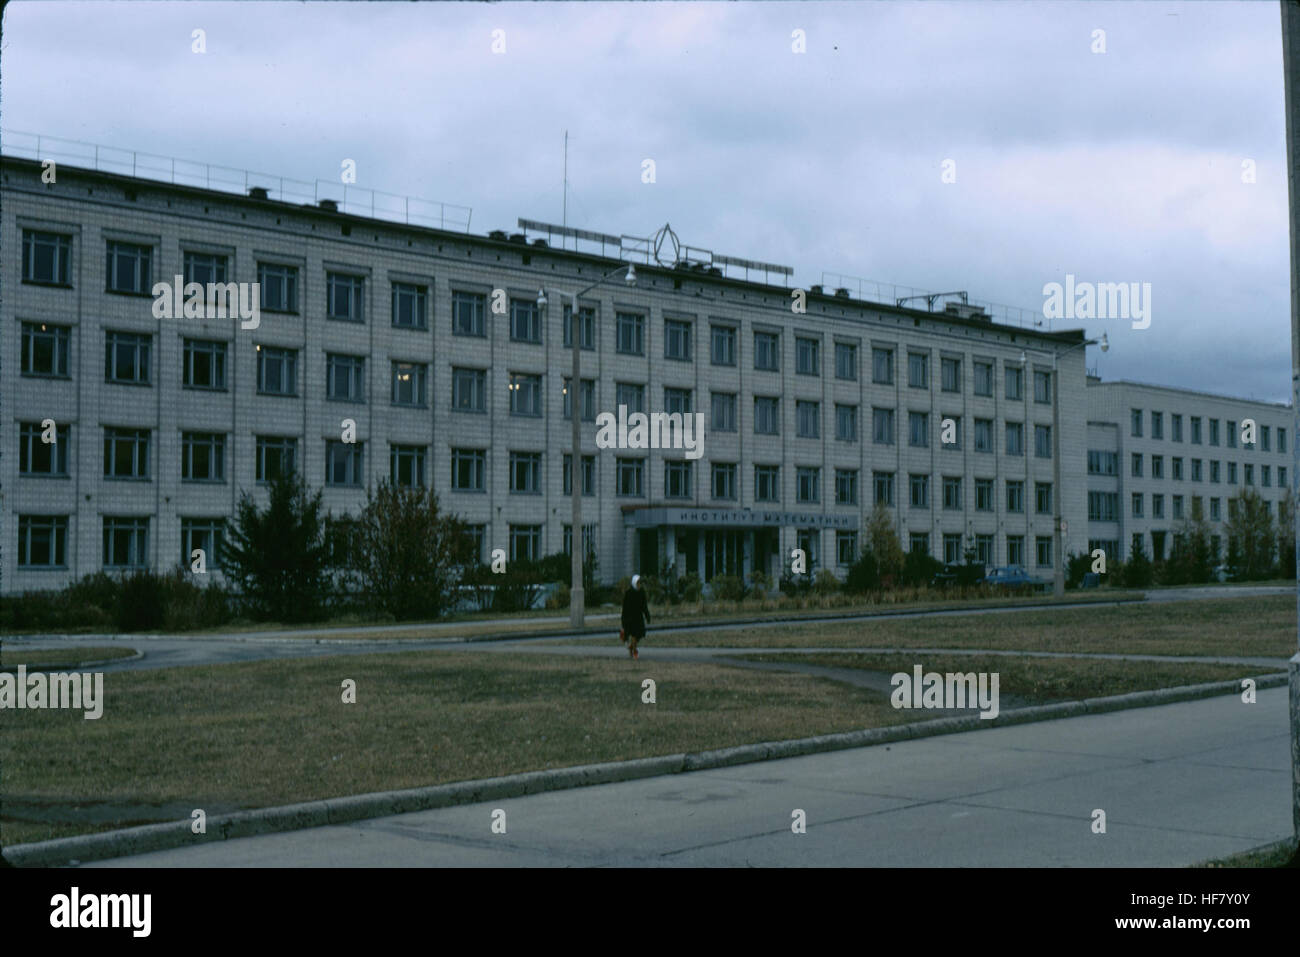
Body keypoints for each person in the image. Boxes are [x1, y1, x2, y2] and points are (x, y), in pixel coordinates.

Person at [620, 574, 651, 660]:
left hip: (638, 617)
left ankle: (631, 647)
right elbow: (625, 607)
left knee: (639, 635)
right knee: (633, 634)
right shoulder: (628, 593)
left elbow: (644, 605)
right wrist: (623, 619)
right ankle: (634, 651)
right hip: (630, 617)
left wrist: (647, 615)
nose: (639, 585)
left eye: (640, 583)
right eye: (637, 583)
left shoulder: (641, 592)